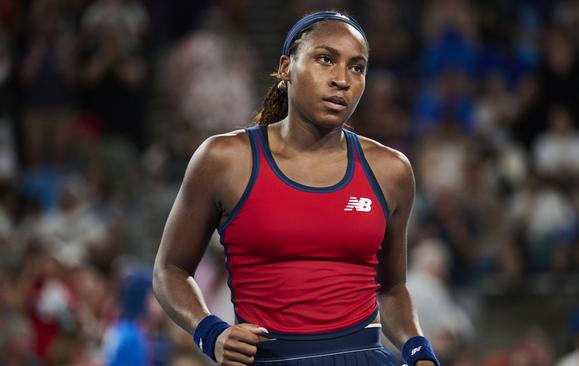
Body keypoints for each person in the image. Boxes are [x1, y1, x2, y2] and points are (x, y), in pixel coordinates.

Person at [153, 10, 440, 366]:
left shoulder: (391, 170)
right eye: (325, 59)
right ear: (286, 67)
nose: (342, 80)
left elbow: (393, 288)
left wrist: (419, 350)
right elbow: (170, 270)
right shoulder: (223, 159)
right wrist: (210, 332)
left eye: (357, 67)